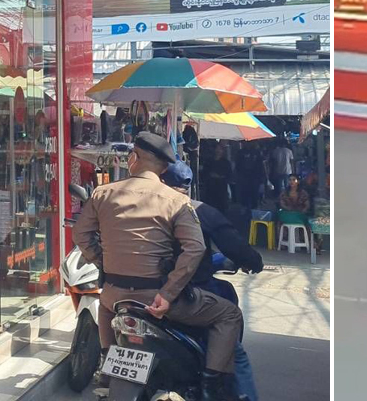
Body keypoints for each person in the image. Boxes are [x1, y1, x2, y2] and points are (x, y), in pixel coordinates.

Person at [73, 132, 245, 401]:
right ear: (164, 168)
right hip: (157, 299)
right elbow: (195, 248)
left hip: (116, 296)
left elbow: (81, 235)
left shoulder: (103, 193)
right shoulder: (176, 201)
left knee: (105, 306)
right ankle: (212, 384)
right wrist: (167, 294)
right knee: (229, 314)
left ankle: (108, 370)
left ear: (134, 158)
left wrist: (103, 261)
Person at [162, 161, 263, 401]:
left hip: (132, 289)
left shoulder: (136, 207)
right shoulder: (197, 210)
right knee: (234, 345)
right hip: (183, 294)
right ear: (188, 186)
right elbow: (227, 246)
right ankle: (214, 380)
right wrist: (253, 261)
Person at [234, 145, 267, 211]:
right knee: (244, 192)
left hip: (255, 177)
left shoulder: (257, 152)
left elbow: (261, 165)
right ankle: (245, 206)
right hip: (244, 177)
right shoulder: (240, 152)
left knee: (254, 193)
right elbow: (237, 165)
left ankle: (254, 207)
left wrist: (263, 177)